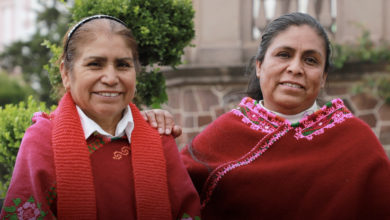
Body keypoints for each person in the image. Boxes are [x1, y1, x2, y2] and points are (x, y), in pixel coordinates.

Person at [145, 12, 390, 219]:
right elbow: (163, 193)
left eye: (310, 60)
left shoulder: (357, 143)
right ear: (260, 66)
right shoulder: (222, 135)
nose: (295, 68)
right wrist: (140, 127)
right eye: (284, 54)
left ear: (323, 77)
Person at [0, 15, 200, 219]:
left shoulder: (158, 137)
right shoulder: (42, 141)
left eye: (123, 65)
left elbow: (186, 211)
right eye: (95, 64)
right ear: (66, 74)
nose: (111, 79)